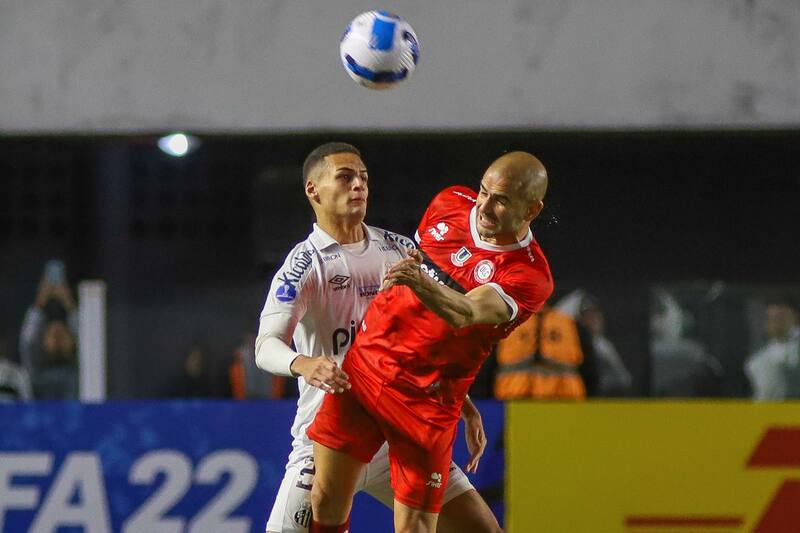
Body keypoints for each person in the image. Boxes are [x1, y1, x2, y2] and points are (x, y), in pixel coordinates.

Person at [255, 143, 501, 533]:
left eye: (364, 178)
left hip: (397, 432)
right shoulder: (306, 262)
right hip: (327, 438)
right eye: (345, 177)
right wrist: (303, 363)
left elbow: (423, 342)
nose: (359, 186)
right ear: (312, 190)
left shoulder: (399, 249)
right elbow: (265, 345)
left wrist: (464, 401)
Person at [307, 151, 553, 533]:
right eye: (484, 192)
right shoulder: (450, 202)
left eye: (501, 200)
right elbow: (417, 323)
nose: (485, 206)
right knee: (324, 500)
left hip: (424, 405)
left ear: (532, 210)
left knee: (416, 528)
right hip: (365, 371)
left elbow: (466, 314)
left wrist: (420, 281)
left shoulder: (529, 274)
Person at [19, 266, 79, 399]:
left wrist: (68, 301)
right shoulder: (35, 374)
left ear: (73, 343)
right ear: (42, 343)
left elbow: (88, 341)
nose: (58, 338)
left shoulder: (79, 371)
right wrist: (40, 301)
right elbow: (28, 342)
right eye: (52, 335)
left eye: (63, 336)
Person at [745, 298, 800, 400]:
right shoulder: (757, 361)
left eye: (781, 318)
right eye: (772, 319)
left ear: (794, 318)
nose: (776, 323)